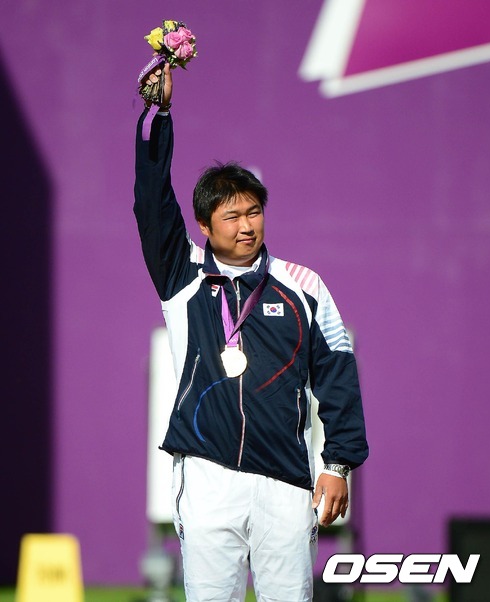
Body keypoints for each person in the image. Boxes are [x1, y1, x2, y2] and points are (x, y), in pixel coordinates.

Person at [134, 63, 368, 602]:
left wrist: (338, 463)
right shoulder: (182, 276)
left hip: (286, 482)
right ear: (204, 225)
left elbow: (338, 375)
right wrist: (156, 114)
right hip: (207, 478)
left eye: (255, 212)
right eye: (232, 215)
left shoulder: (304, 285)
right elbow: (151, 201)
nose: (246, 226)